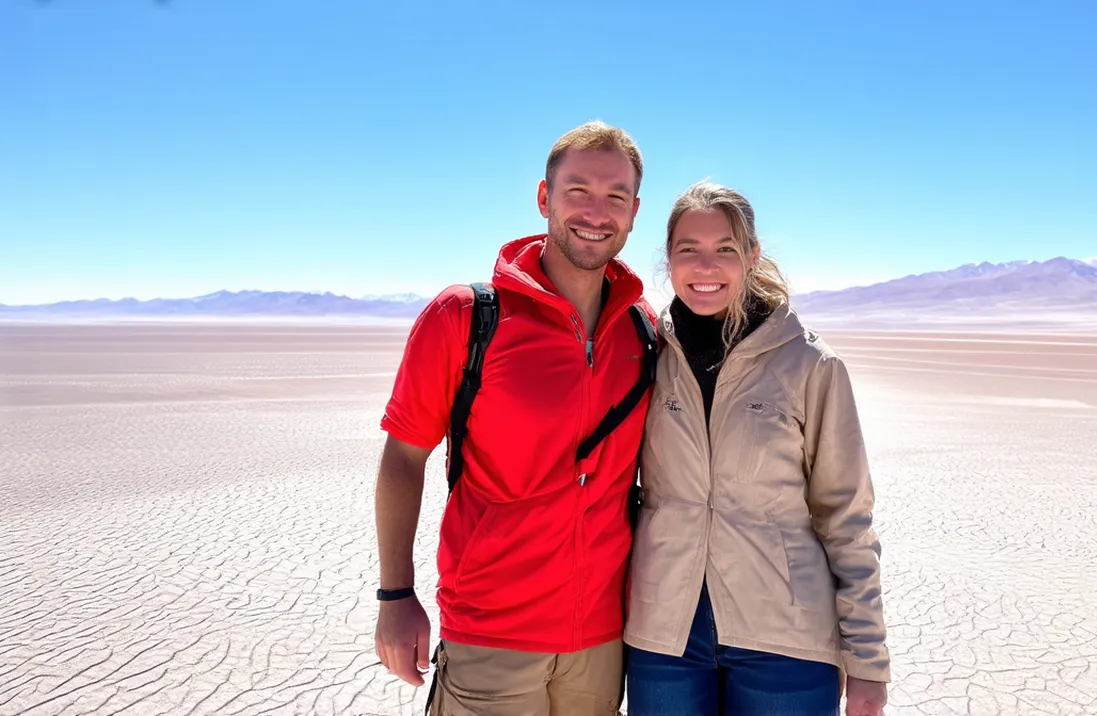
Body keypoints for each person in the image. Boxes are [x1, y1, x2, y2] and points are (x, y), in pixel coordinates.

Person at [373, 120, 656, 716]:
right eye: (577, 190)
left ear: (634, 211)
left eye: (616, 196)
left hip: (603, 640)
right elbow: (404, 456)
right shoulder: (466, 318)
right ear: (544, 198)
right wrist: (395, 595)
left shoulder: (643, 330)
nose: (595, 212)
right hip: (491, 633)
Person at [622, 181, 892, 716]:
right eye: (688, 250)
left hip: (785, 640)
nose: (706, 266)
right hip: (664, 636)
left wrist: (867, 661)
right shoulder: (646, 353)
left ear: (751, 256)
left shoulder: (810, 365)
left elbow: (846, 518)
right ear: (667, 261)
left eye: (725, 249)